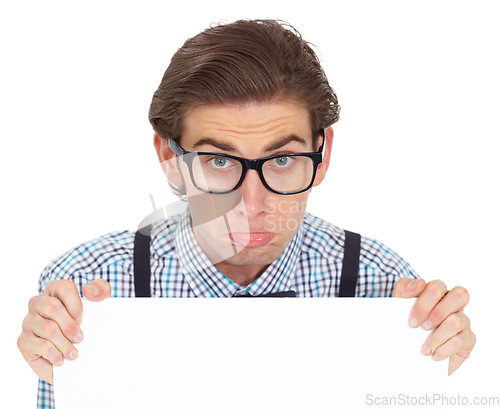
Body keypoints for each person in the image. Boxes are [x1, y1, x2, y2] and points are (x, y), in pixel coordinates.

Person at [17, 19, 476, 409]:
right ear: (169, 159)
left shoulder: (384, 288)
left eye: (281, 160)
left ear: (323, 153)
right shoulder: (84, 286)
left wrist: (437, 379)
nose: (253, 206)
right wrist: (74, 380)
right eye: (219, 161)